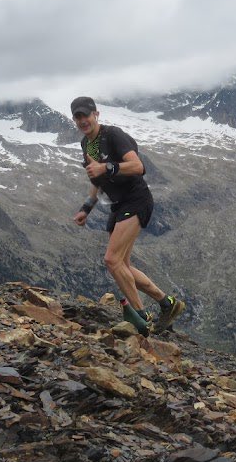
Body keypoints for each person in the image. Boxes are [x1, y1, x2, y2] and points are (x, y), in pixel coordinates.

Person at [70, 95, 185, 335]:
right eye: (78, 117)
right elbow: (96, 178)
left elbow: (137, 166)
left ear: (96, 114)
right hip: (119, 204)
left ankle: (143, 318)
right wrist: (86, 208)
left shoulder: (113, 135)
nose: (83, 121)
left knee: (111, 260)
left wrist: (107, 167)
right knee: (122, 265)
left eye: (86, 115)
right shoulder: (86, 145)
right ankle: (167, 304)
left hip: (136, 199)